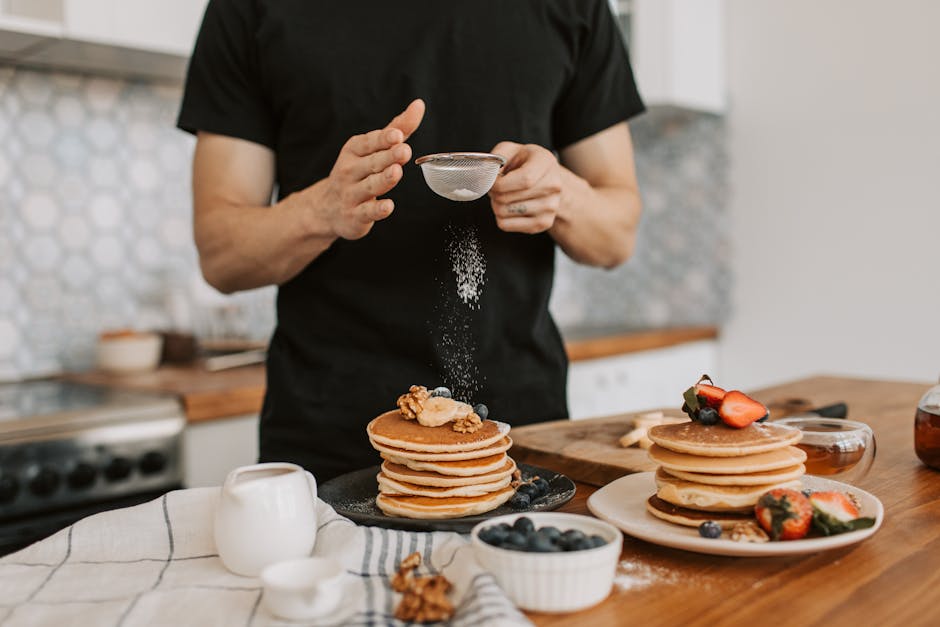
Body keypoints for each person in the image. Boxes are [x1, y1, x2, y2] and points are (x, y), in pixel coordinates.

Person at [177, 0, 645, 482]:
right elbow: (220, 255)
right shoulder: (250, 8)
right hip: (329, 441)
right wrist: (324, 209)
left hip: (520, 438)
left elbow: (617, 236)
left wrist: (560, 195)